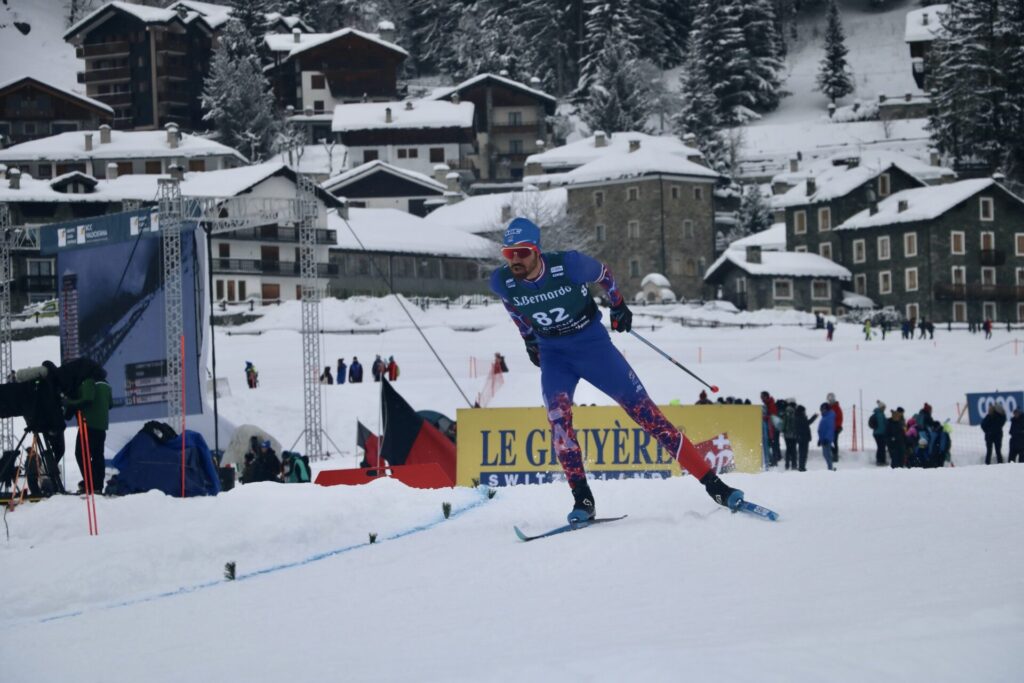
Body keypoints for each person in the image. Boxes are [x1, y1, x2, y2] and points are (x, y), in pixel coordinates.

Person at [489, 216, 747, 523]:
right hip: (554, 354)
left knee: (648, 416)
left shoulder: (568, 264)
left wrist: (619, 304)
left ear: (537, 251)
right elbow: (512, 307)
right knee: (558, 421)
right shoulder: (501, 281)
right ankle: (583, 500)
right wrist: (529, 339)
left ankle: (715, 486)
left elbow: (603, 274)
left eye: (522, 252)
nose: (515, 259)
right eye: (509, 253)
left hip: (593, 347)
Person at [64, 365, 112, 494]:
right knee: (98, 456)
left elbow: (87, 400)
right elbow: (110, 404)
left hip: (88, 425)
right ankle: (97, 486)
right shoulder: (107, 385)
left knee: (81, 455)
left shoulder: (89, 382)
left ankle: (90, 483)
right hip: (102, 427)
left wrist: (68, 402)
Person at [794, 404, 816, 472]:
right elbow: (807, 423)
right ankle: (802, 467)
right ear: (801, 411)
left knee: (801, 453)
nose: (805, 412)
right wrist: (814, 417)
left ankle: (801, 466)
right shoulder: (800, 418)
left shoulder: (797, 417)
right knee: (803, 453)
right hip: (804, 438)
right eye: (804, 411)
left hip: (801, 438)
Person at [817, 401, 836, 470]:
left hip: (826, 440)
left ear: (827, 409)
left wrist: (827, 438)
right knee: (825, 454)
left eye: (823, 409)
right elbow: (822, 429)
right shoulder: (825, 416)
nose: (822, 411)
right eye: (821, 409)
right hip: (823, 439)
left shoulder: (829, 417)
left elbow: (830, 429)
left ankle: (830, 468)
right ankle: (830, 467)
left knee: (827, 455)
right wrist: (820, 439)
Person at [871, 400, 888, 466]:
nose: (885, 408)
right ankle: (881, 461)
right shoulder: (880, 414)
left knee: (881, 447)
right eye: (884, 407)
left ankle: (880, 460)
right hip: (880, 433)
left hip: (877, 433)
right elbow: (883, 424)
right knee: (881, 447)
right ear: (881, 407)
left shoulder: (879, 413)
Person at [827, 392, 843, 461]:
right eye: (829, 398)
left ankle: (835, 456)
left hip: (835, 428)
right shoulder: (827, 407)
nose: (830, 400)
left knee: (834, 442)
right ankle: (832, 453)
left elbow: (840, 418)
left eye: (831, 398)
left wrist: (838, 426)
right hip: (828, 428)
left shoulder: (837, 407)